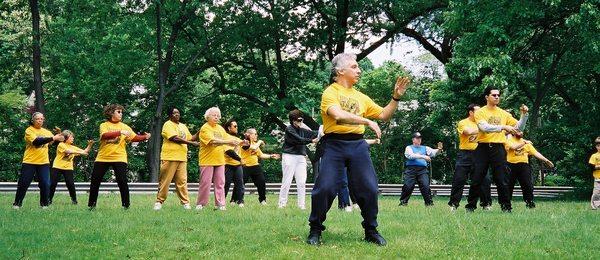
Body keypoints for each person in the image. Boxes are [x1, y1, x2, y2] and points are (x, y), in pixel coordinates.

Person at [307, 53, 410, 246]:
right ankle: (315, 229)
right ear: (340, 71)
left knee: (369, 188)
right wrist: (366, 120)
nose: (359, 70)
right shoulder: (331, 92)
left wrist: (395, 98)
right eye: (354, 67)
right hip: (334, 144)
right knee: (325, 188)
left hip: (357, 145)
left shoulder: (361, 97)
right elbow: (337, 115)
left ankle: (371, 230)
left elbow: (384, 114)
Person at [465, 86, 529, 212]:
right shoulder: (480, 112)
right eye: (494, 95)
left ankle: (506, 207)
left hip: (498, 148)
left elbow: (518, 129)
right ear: (486, 97)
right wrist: (503, 127)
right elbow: (484, 127)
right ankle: (470, 207)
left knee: (502, 179)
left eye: (498, 95)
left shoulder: (504, 113)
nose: (497, 97)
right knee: (477, 178)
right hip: (482, 148)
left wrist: (524, 116)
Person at [88, 104, 151, 210]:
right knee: (95, 181)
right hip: (103, 157)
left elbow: (134, 137)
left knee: (122, 181)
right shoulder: (104, 125)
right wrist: (120, 132)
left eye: (121, 112)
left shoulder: (125, 126)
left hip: (119, 157)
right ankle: (91, 205)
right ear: (111, 113)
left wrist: (145, 137)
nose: (121, 114)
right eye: (118, 112)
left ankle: (126, 206)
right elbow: (104, 136)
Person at [13, 112, 65, 209]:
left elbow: (53, 143)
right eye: (37, 119)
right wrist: (53, 137)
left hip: (43, 162)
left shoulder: (46, 132)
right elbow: (36, 142)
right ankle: (17, 204)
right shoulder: (29, 130)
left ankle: (44, 205)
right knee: (24, 183)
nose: (40, 120)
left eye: (41, 119)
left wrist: (59, 135)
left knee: (45, 183)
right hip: (30, 161)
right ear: (33, 120)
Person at [447, 104, 492, 211]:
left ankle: (485, 204)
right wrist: (484, 128)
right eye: (477, 111)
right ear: (471, 112)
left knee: (485, 180)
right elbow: (468, 132)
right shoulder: (463, 122)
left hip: (480, 154)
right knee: (459, 179)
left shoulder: (483, 122)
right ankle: (454, 204)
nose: (480, 113)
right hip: (465, 154)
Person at [153, 107, 199, 211]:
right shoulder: (167, 124)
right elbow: (174, 138)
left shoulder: (183, 126)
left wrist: (202, 130)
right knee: (165, 181)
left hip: (182, 158)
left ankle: (185, 203)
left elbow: (191, 137)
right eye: (174, 113)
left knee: (182, 181)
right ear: (170, 115)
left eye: (178, 112)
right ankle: (159, 202)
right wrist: (192, 143)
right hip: (170, 157)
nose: (177, 114)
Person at [196, 107, 239, 211]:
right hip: (207, 160)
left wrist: (242, 142)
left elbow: (228, 138)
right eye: (214, 115)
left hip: (220, 160)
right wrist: (228, 142)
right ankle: (201, 204)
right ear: (207, 117)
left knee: (220, 183)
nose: (216, 117)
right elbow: (212, 142)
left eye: (218, 115)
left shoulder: (220, 128)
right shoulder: (205, 128)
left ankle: (220, 204)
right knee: (205, 183)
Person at [278, 109, 319, 210]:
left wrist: (323, 131)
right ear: (293, 120)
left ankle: (302, 205)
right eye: (299, 120)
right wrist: (312, 140)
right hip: (289, 156)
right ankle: (282, 204)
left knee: (301, 182)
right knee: (287, 181)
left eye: (302, 120)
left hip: (300, 157)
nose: (301, 122)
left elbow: (313, 133)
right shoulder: (289, 129)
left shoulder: (302, 129)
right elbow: (299, 140)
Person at [505, 131, 554, 208]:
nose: (520, 133)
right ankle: (507, 205)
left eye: (521, 131)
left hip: (524, 166)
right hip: (510, 166)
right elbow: (514, 147)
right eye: (518, 131)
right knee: (508, 186)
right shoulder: (508, 141)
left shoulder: (526, 143)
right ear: (514, 132)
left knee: (528, 185)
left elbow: (536, 153)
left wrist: (546, 160)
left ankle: (529, 202)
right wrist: (525, 142)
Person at [49, 130, 94, 205]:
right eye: (71, 137)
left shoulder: (73, 147)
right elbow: (68, 151)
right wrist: (80, 152)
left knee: (70, 184)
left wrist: (90, 145)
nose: (73, 138)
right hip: (57, 167)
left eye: (73, 137)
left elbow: (85, 152)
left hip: (68, 168)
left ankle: (74, 200)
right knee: (53, 184)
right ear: (65, 138)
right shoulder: (61, 145)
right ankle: (48, 200)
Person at [398, 132, 443, 206]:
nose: (419, 139)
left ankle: (429, 204)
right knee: (408, 186)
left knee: (425, 186)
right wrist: (424, 157)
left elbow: (434, 153)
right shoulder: (409, 148)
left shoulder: (425, 148)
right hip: (411, 170)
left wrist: (439, 149)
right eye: (417, 138)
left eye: (420, 138)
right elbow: (410, 156)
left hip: (422, 170)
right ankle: (403, 203)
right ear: (413, 139)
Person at [338, 139, 380, 212]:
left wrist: (374, 141)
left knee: (353, 181)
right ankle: (345, 205)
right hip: (339, 159)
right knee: (343, 182)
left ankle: (355, 202)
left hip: (352, 159)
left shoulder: (353, 132)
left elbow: (360, 141)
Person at [240, 128, 280, 205]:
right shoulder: (244, 142)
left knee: (261, 182)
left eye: (256, 134)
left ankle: (262, 200)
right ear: (249, 135)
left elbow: (261, 155)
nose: (256, 135)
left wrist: (271, 156)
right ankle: (238, 200)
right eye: (255, 134)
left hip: (255, 166)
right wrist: (260, 141)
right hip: (245, 166)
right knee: (241, 184)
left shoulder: (255, 144)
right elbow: (254, 147)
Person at [223, 119, 247, 207]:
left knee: (240, 184)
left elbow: (246, 148)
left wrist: (247, 141)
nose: (237, 128)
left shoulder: (237, 138)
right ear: (229, 128)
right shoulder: (225, 137)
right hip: (227, 164)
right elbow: (228, 151)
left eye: (237, 126)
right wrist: (240, 159)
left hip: (237, 166)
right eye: (235, 126)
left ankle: (240, 201)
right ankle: (221, 202)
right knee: (226, 184)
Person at [590, 137, 600, 209]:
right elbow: (592, 167)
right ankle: (595, 206)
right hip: (597, 178)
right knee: (596, 193)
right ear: (596, 146)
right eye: (598, 146)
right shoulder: (594, 156)